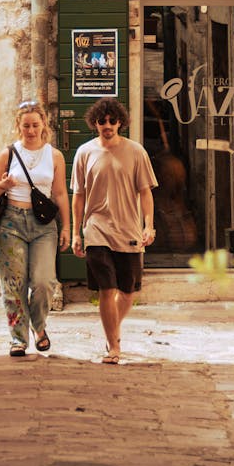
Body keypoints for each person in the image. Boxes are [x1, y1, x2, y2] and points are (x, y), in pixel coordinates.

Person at [70, 97, 158, 364]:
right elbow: (78, 196)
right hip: (96, 228)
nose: (107, 125)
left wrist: (149, 225)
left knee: (128, 292)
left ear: (120, 121)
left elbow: (145, 192)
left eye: (112, 120)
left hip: (128, 229)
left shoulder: (136, 152)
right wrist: (76, 233)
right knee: (106, 289)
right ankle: (114, 347)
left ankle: (111, 329)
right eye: (101, 121)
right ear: (94, 123)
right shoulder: (84, 153)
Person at [0, 101, 70, 356]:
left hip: (43, 225)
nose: (31, 130)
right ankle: (18, 339)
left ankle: (38, 326)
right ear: (18, 126)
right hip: (11, 222)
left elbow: (59, 193)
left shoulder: (54, 155)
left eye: (35, 125)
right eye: (26, 126)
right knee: (14, 284)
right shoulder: (8, 153)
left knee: (44, 282)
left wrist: (67, 227)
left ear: (43, 124)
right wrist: (4, 184)